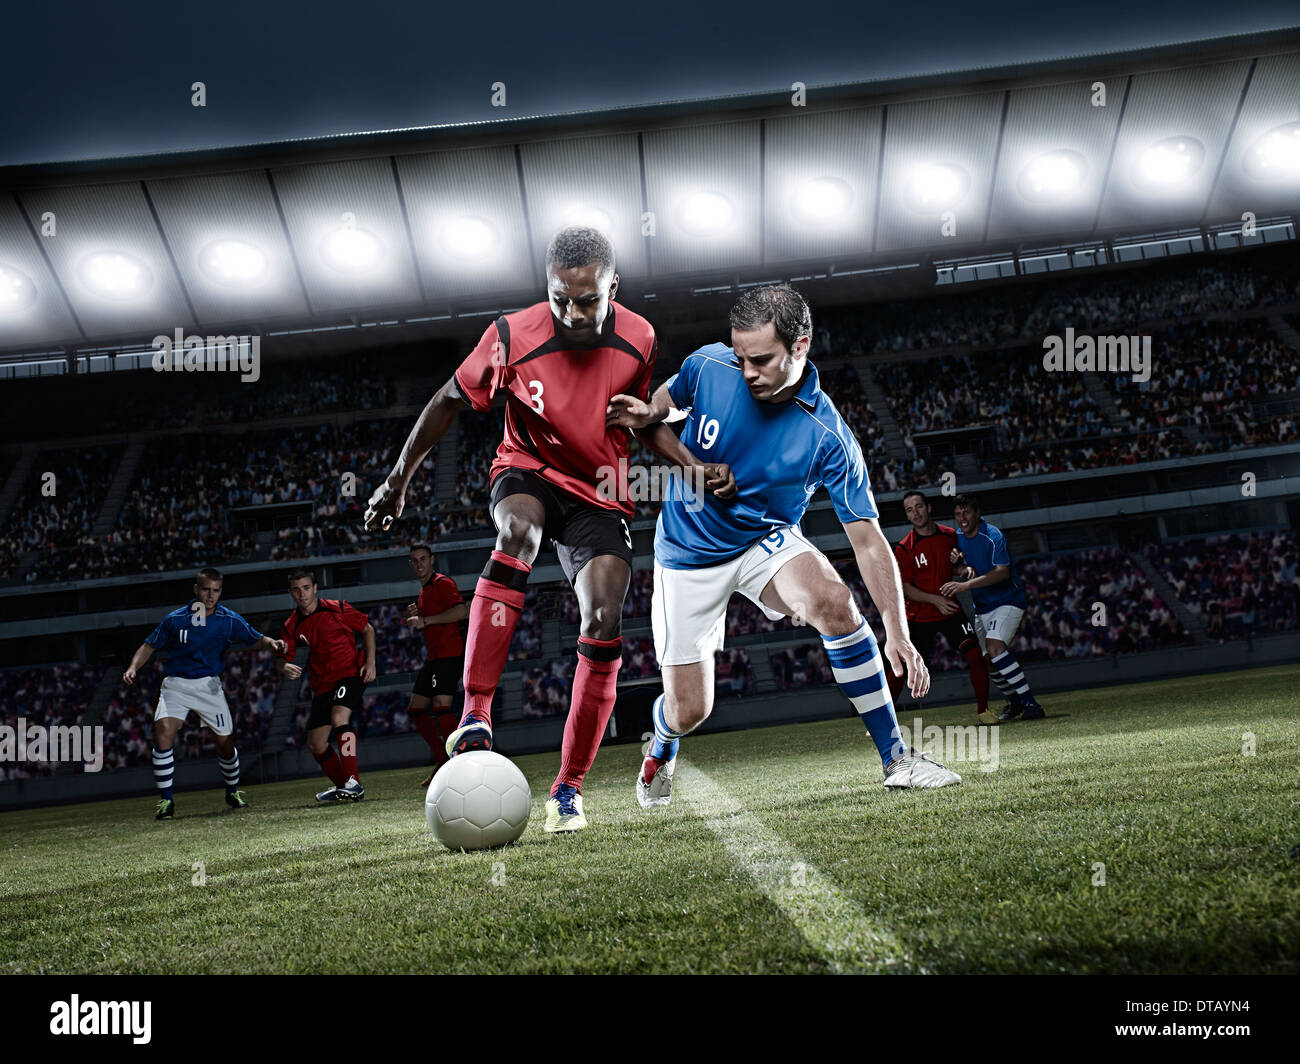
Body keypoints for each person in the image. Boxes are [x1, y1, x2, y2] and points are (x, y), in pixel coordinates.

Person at [364, 226, 733, 833]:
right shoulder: (512, 335)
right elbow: (448, 399)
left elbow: (641, 422)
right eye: (560, 298)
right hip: (527, 471)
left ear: (614, 287)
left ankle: (568, 789)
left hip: (600, 494)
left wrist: (694, 468)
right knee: (516, 537)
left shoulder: (640, 338)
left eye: (588, 299)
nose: (573, 312)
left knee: (603, 619)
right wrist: (398, 480)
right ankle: (477, 713)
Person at [607, 284, 961, 809]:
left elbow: (867, 541)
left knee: (834, 603)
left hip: (763, 542)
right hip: (687, 551)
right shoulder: (709, 365)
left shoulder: (829, 437)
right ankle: (662, 746)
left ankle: (897, 759)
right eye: (740, 355)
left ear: (800, 346)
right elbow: (652, 415)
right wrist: (693, 467)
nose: (746, 370)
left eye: (760, 359)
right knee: (690, 710)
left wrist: (898, 632)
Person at [123, 567, 287, 820]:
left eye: (216, 590)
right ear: (196, 590)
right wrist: (133, 667)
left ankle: (232, 791)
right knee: (163, 731)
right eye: (206, 590)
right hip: (176, 684)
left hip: (208, 687)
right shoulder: (175, 619)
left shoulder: (228, 619)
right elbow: (149, 645)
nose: (211, 595)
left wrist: (273, 643)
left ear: (220, 592)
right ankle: (166, 801)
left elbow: (255, 637)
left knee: (225, 743)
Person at [889, 490, 995, 724]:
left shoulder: (950, 536)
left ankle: (983, 710)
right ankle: (884, 722)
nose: (915, 513)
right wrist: (935, 599)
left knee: (976, 656)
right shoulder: (905, 548)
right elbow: (905, 588)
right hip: (920, 615)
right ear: (907, 516)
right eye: (909, 510)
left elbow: (957, 566)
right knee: (901, 667)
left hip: (950, 611)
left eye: (918, 507)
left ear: (928, 508)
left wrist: (964, 571)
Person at [941, 494, 1046, 721]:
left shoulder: (993, 535)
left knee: (994, 647)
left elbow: (1002, 572)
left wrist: (966, 584)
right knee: (984, 659)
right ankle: (1014, 701)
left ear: (977, 513)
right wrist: (960, 567)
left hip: (1008, 600)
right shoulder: (956, 538)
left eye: (966, 512)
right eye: (958, 514)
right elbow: (960, 568)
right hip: (983, 606)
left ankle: (1032, 704)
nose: (962, 518)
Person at [277, 569, 376, 800]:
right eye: (296, 589)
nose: (302, 594)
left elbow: (367, 629)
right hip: (322, 684)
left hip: (350, 673)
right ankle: (344, 785)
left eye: (306, 588)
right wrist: (283, 666)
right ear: (290, 592)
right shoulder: (291, 625)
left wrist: (370, 662)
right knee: (316, 743)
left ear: (315, 588)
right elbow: (282, 656)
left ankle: (354, 783)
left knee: (339, 718)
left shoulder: (338, 608)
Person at [404, 543, 467, 787]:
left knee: (441, 706)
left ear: (432, 560)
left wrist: (426, 619)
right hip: (434, 657)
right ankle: (443, 761)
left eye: (422, 559)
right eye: (414, 560)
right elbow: (427, 618)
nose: (419, 564)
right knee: (416, 708)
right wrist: (417, 613)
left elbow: (461, 611)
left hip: (449, 654)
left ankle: (455, 764)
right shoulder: (424, 590)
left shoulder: (443, 582)